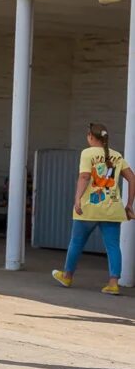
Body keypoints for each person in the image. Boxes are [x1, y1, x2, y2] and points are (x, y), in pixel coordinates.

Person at [52, 123, 135, 295]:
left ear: (90, 136)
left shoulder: (87, 153)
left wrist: (77, 199)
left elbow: (84, 176)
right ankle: (113, 283)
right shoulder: (117, 156)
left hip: (88, 208)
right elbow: (132, 179)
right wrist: (129, 205)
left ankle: (67, 276)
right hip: (112, 209)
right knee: (113, 246)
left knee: (76, 243)